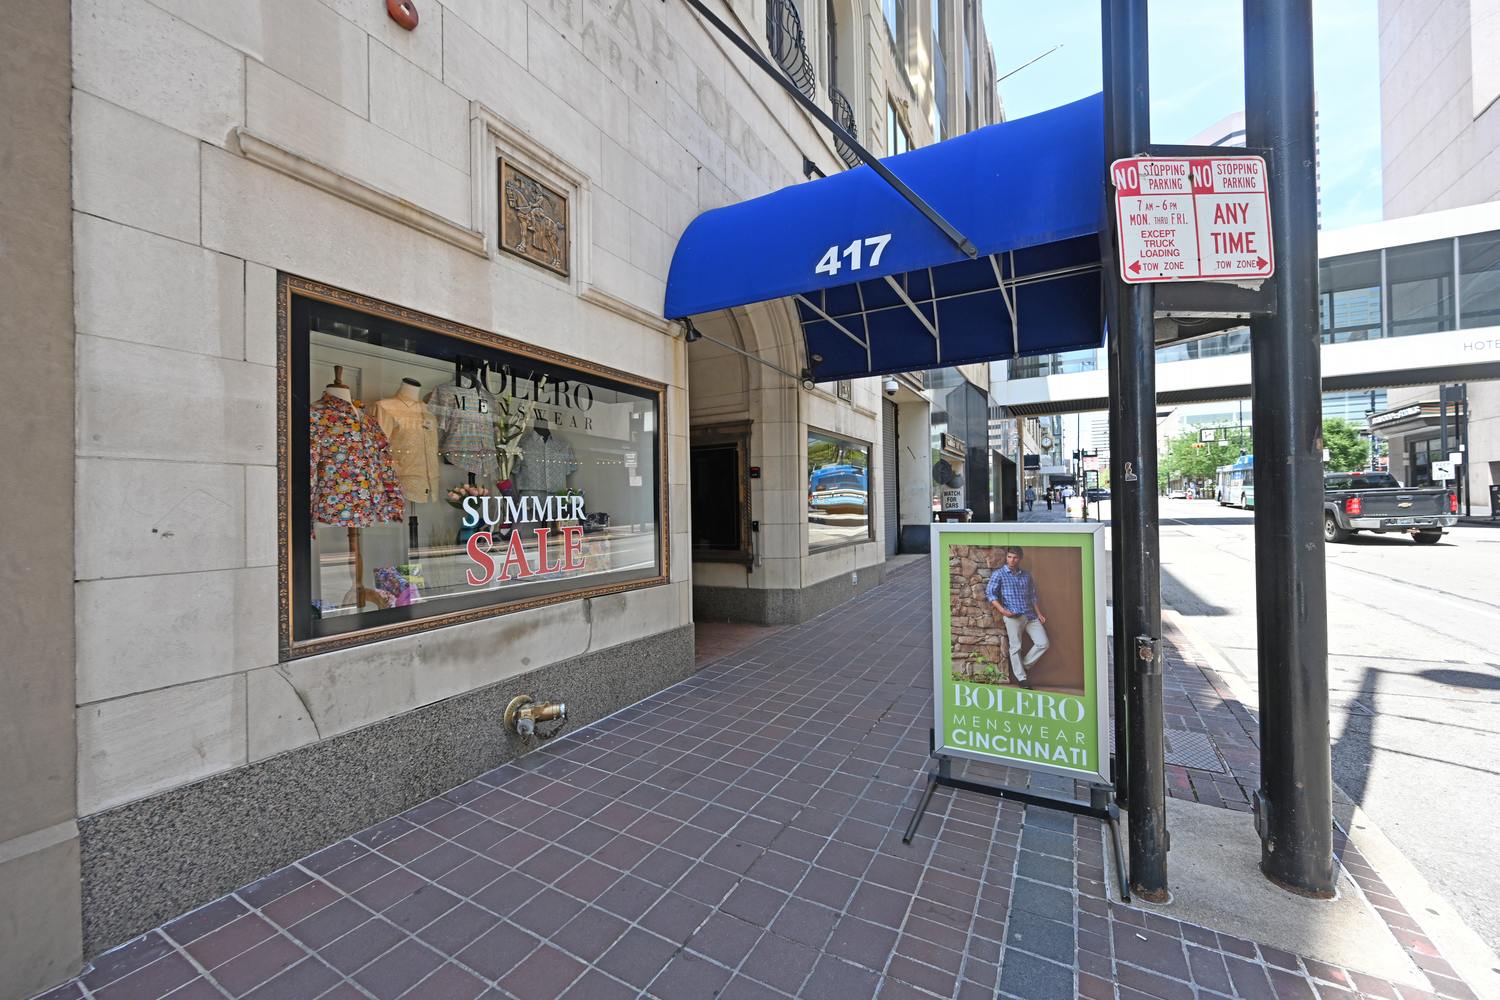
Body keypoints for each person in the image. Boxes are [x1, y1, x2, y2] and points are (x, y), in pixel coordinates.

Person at [984, 547, 1049, 688]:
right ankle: (1022, 678)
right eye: (1009, 557)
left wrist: (1039, 614)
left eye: (1015, 557)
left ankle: (1023, 664)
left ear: (1020, 559)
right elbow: (990, 594)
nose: (1011, 560)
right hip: (1013, 617)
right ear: (1006, 557)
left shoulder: (1026, 575)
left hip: (1030, 615)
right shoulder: (999, 574)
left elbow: (1033, 596)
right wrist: (1003, 611)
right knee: (1015, 647)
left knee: (1043, 643)